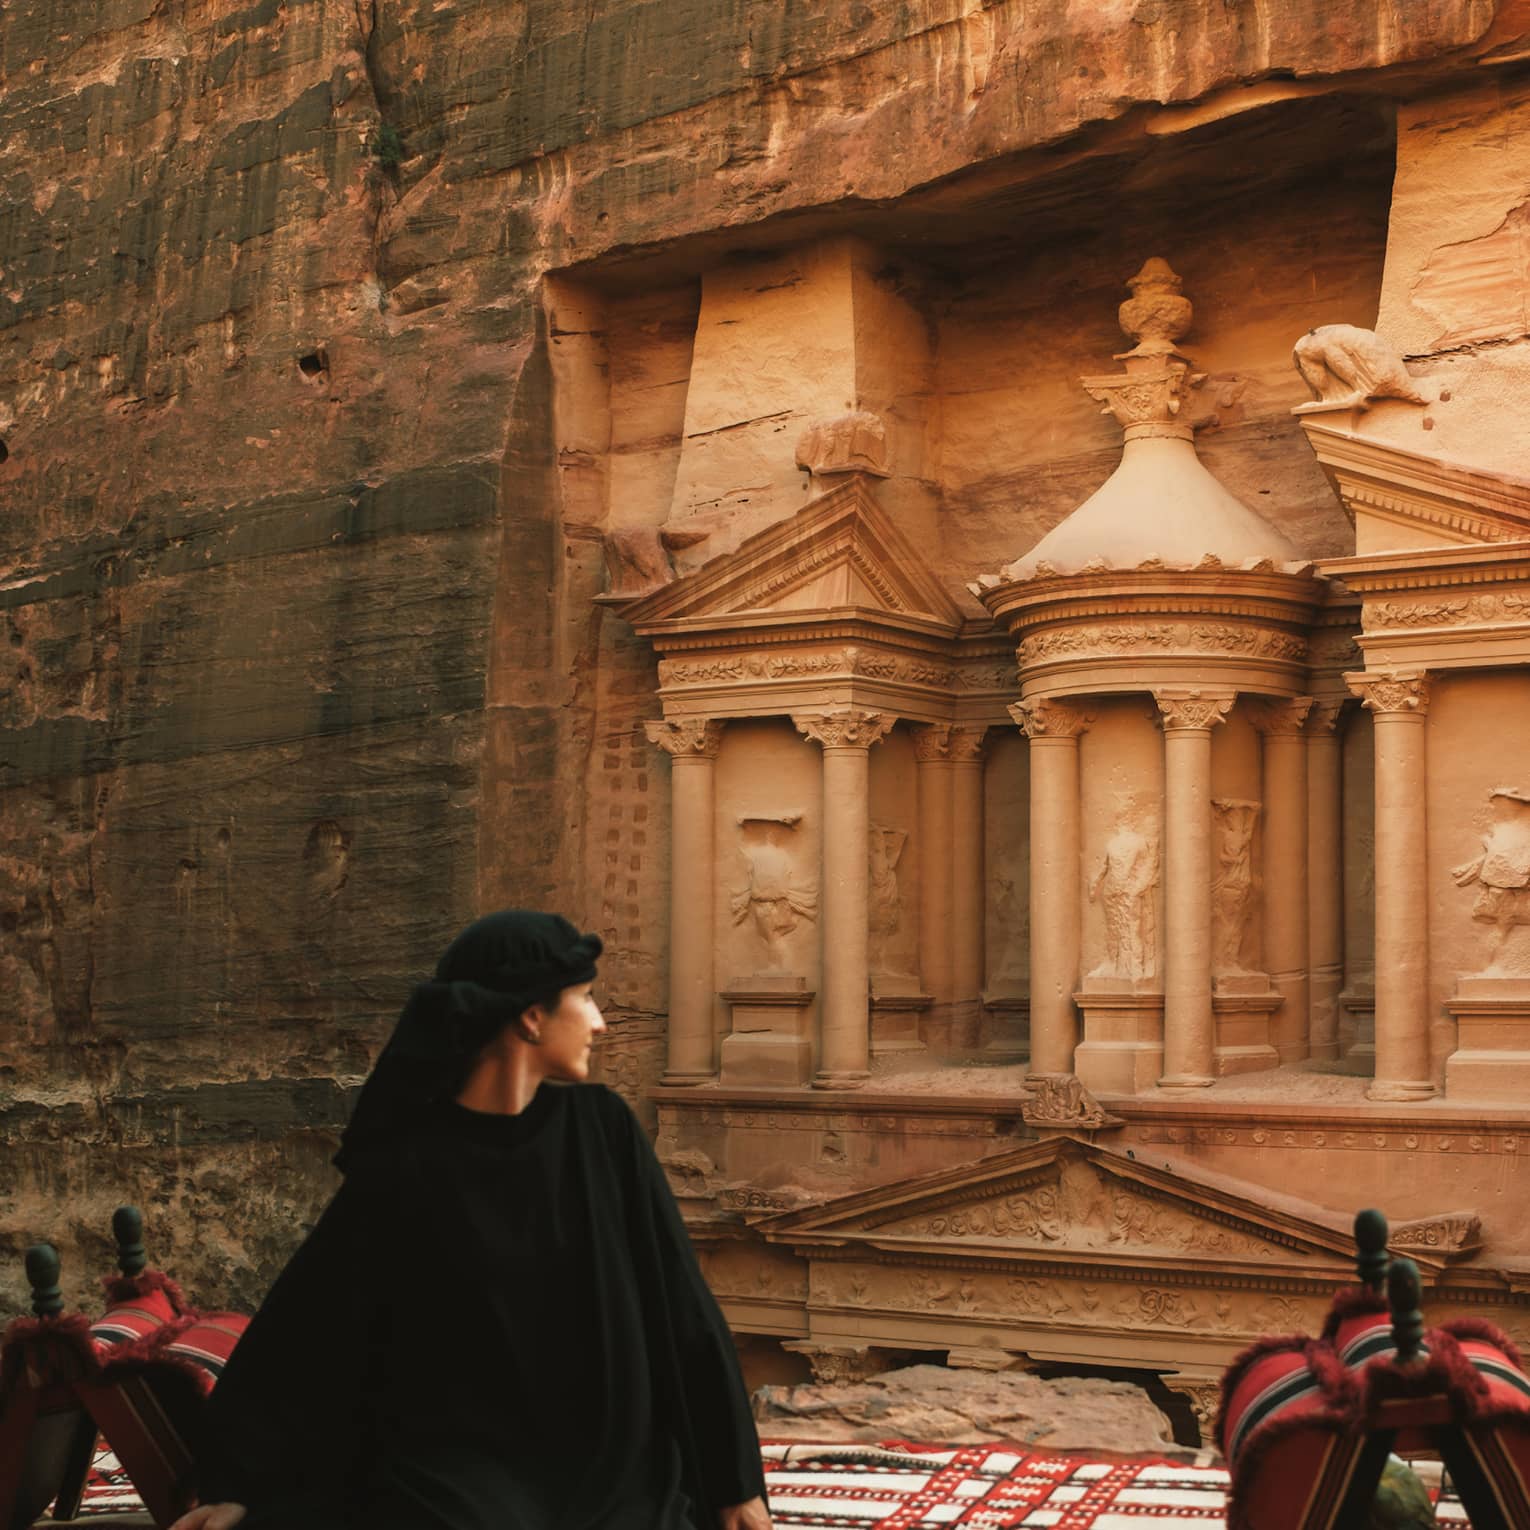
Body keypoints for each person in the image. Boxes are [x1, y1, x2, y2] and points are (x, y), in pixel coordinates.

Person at [171, 911, 772, 1530]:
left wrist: (735, 1484)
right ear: (531, 1016)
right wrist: (237, 1481)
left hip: (610, 1463)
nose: (600, 1021)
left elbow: (681, 1304)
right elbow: (315, 1324)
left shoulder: (603, 1129)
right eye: (585, 998)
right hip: (460, 1473)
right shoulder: (413, 1161)